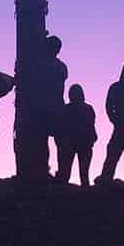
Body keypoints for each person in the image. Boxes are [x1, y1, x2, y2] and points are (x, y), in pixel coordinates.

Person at [56, 84, 97, 187]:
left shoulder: (65, 109)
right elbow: (91, 126)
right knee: (82, 175)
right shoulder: (87, 108)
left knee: (66, 174)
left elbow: (59, 129)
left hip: (74, 144)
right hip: (78, 144)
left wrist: (60, 143)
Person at [40, 34, 68, 171]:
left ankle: (44, 169)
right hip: (58, 108)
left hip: (44, 109)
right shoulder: (62, 67)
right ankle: (62, 172)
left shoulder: (41, 66)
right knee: (60, 143)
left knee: (42, 142)